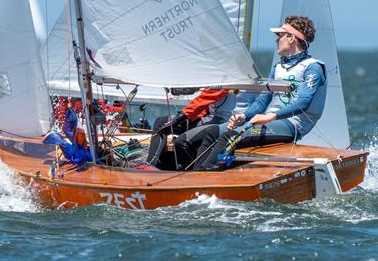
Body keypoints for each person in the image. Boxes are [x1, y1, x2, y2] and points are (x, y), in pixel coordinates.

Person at [193, 16, 327, 171]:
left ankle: (204, 179)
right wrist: (245, 116)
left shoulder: (313, 68)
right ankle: (193, 178)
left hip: (291, 125)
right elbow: (263, 100)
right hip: (268, 121)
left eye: (279, 36)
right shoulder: (278, 67)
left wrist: (270, 116)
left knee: (230, 137)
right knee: (212, 132)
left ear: (291, 38)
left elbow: (303, 102)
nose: (276, 40)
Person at [140, 88, 237, 170]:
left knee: (181, 141)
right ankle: (153, 164)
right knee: (161, 122)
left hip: (220, 120)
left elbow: (209, 95)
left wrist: (183, 115)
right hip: (206, 116)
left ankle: (155, 166)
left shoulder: (224, 78)